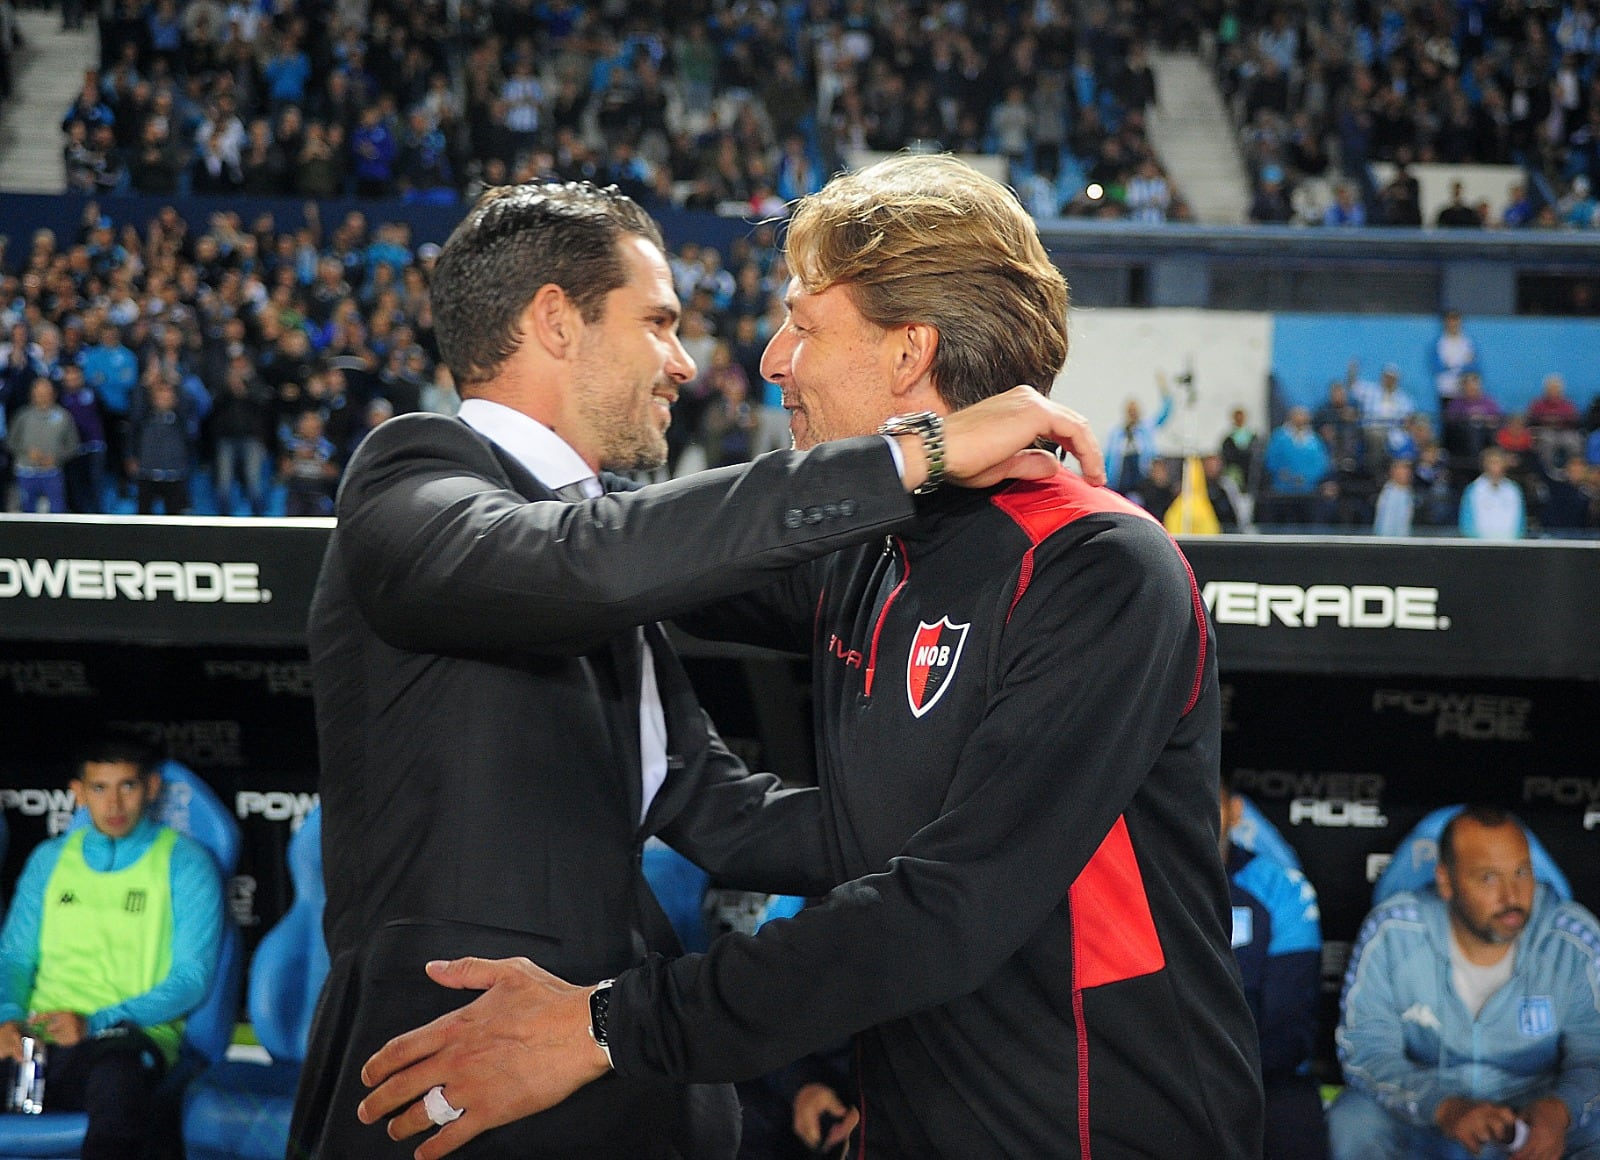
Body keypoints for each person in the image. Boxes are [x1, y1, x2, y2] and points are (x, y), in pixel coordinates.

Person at [356, 157, 1262, 1158]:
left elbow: (943, 912)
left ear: (911, 350)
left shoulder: (1097, 564)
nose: (773, 358)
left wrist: (609, 1023)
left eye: (804, 323)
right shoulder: (872, 555)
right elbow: (604, 556)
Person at [0, 733, 225, 1160]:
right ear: (78, 793)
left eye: (128, 786)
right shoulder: (49, 860)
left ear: (152, 789)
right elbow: (13, 958)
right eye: (100, 788)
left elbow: (191, 979)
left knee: (117, 1085)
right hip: (39, 1036)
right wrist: (8, 1020)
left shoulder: (185, 862)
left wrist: (95, 1020)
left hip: (127, 1037)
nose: (114, 804)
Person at [1328, 807, 1600, 1160]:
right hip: (1428, 1116)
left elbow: (1594, 1056)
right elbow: (1366, 1049)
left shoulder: (1572, 939)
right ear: (1446, 881)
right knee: (1352, 1121)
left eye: (1521, 872)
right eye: (1488, 878)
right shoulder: (1394, 932)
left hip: (1535, 1120)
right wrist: (1443, 1107)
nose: (1512, 896)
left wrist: (1559, 1112)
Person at [1221, 779, 1328, 1160]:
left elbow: (1290, 1021)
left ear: (1234, 811)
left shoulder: (1279, 887)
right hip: (1161, 1066)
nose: (1197, 814)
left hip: (1257, 1071)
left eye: (1210, 802)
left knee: (1292, 1112)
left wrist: (1226, 1079)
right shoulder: (1143, 880)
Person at [1459, 447, 1526, 540]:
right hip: (1480, 546)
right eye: (1492, 462)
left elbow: (1520, 523)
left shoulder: (1513, 490)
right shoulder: (1473, 490)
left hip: (1509, 546)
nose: (1495, 466)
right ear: (1484, 464)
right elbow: (1466, 523)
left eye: (1498, 462)